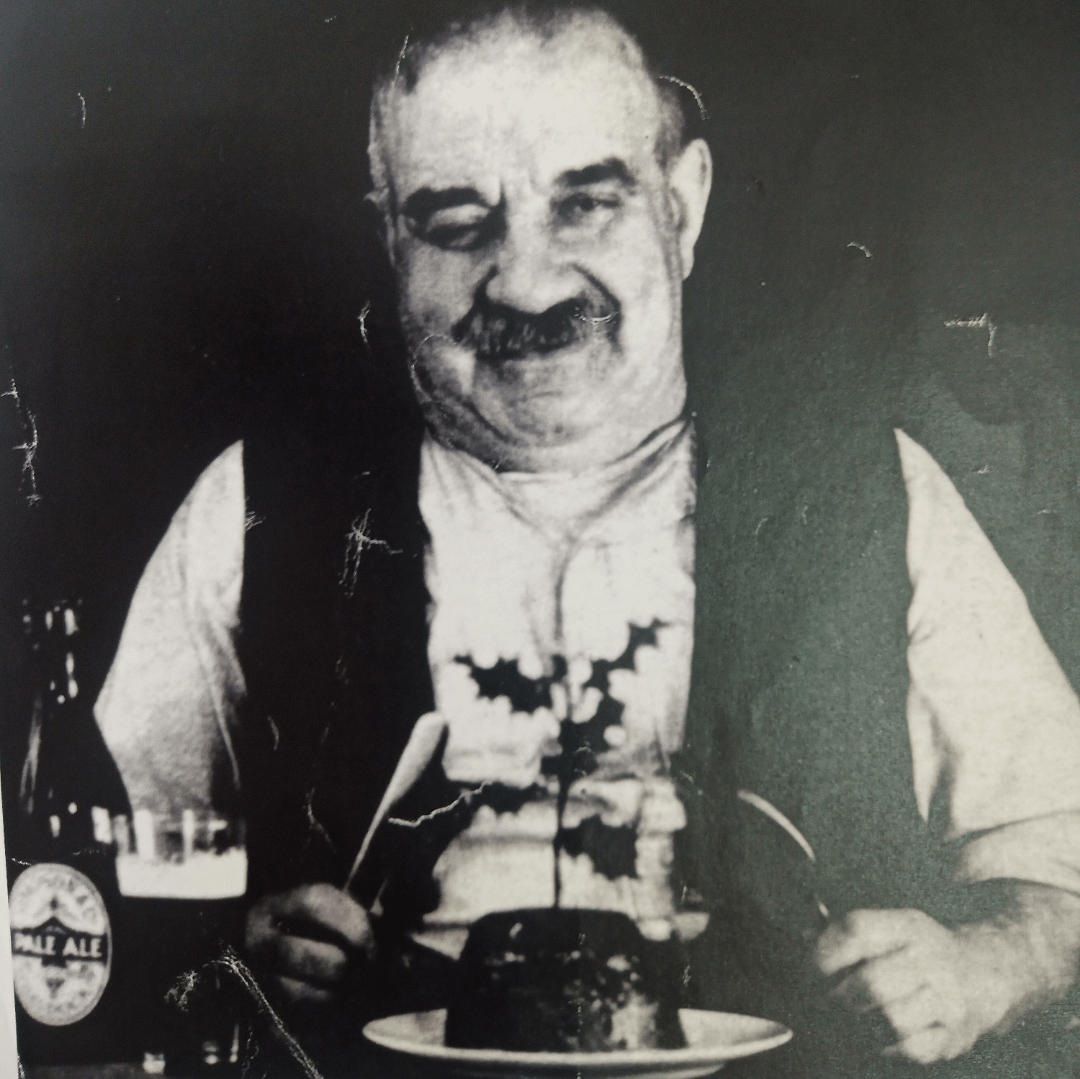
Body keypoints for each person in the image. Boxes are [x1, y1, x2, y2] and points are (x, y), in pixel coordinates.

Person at [93, 2, 1080, 1074]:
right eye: (457, 223)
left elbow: (1060, 851)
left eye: (586, 204)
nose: (526, 280)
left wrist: (988, 962)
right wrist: (221, 948)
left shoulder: (866, 490)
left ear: (685, 205)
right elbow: (85, 876)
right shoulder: (258, 504)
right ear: (390, 237)